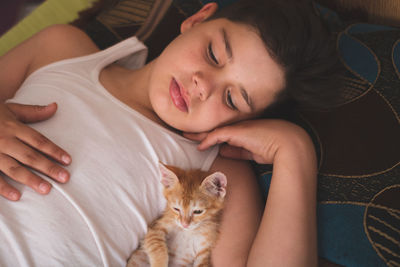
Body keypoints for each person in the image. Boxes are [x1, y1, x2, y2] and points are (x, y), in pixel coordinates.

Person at [0, 0, 339, 266]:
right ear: (198, 19)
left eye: (232, 98)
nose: (202, 85)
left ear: (242, 122)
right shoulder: (61, 50)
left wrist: (294, 151)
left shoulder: (215, 175)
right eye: (213, 54)